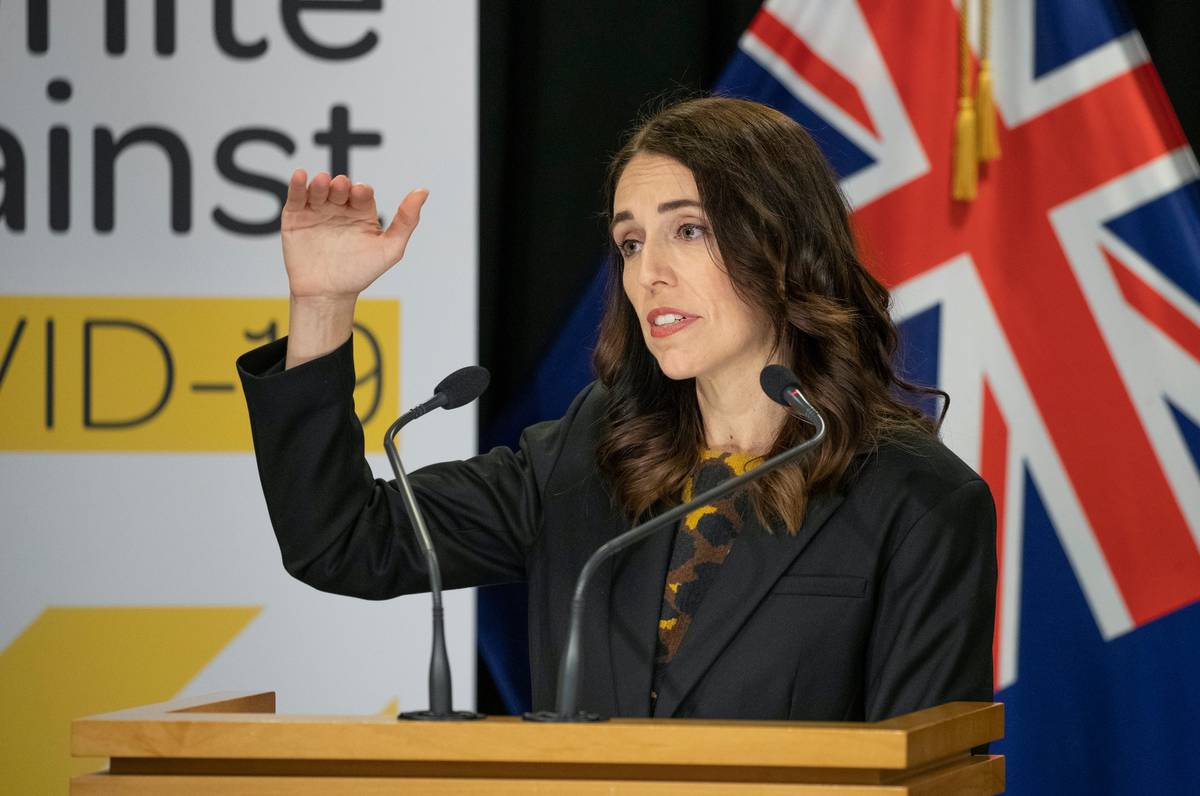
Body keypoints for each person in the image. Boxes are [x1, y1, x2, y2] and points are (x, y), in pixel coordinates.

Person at [237, 96, 997, 722]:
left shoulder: (920, 501)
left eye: (688, 230)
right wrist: (324, 306)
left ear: (783, 244)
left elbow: (920, 773)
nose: (650, 273)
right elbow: (341, 540)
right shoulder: (588, 455)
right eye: (630, 243)